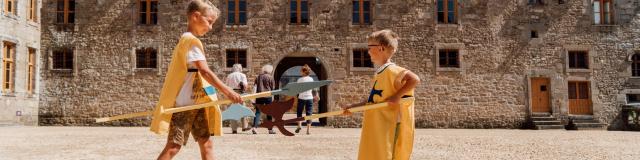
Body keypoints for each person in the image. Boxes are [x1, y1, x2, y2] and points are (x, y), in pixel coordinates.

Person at [151, 1, 242, 160]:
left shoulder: (187, 40)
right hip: (184, 106)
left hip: (198, 103)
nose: (211, 27)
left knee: (206, 144)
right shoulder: (191, 41)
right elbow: (205, 71)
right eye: (209, 21)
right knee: (173, 146)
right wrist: (228, 92)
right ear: (195, 16)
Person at [341, 29, 421, 160]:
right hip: (378, 124)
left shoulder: (393, 70)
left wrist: (397, 96)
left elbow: (414, 79)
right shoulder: (380, 73)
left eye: (370, 47)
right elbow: (375, 99)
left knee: (388, 155)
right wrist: (353, 107)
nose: (368, 51)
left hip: (390, 124)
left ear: (381, 49)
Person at [224, 63, 251, 134]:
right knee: (243, 109)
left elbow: (226, 86)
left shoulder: (229, 76)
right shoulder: (242, 75)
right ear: (240, 68)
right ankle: (244, 127)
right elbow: (245, 86)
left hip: (231, 93)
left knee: (233, 111)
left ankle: (234, 129)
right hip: (240, 93)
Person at [251, 64, 276, 134]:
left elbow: (255, 86)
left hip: (259, 95)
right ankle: (270, 129)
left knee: (258, 112)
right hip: (268, 96)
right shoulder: (270, 77)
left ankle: (254, 128)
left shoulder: (258, 77)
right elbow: (273, 88)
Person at [295, 64, 319, 135]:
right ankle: (308, 130)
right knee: (309, 113)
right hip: (309, 98)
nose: (300, 72)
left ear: (304, 72)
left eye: (301, 71)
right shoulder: (311, 79)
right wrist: (317, 95)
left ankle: (299, 125)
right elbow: (314, 89)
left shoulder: (299, 80)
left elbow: (297, 89)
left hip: (301, 98)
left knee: (299, 112)